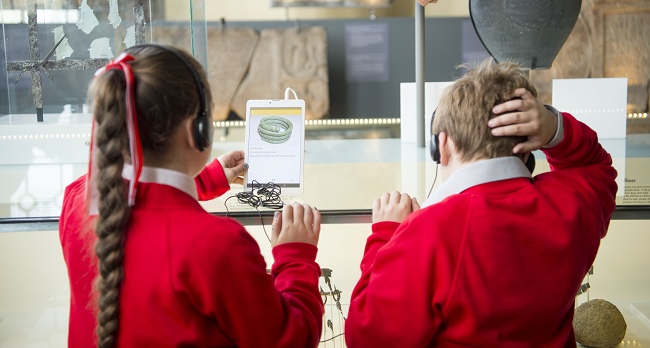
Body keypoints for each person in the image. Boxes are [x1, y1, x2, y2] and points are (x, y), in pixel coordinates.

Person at [59, 44, 324, 348]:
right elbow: (293, 340)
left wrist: (202, 180)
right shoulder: (218, 245)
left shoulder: (77, 200)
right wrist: (295, 256)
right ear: (196, 131)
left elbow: (145, 210)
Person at [345, 59, 617, 347]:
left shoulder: (428, 231)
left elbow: (369, 338)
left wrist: (386, 236)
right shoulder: (569, 203)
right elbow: (595, 168)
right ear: (529, 147)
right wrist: (555, 129)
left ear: (443, 145)